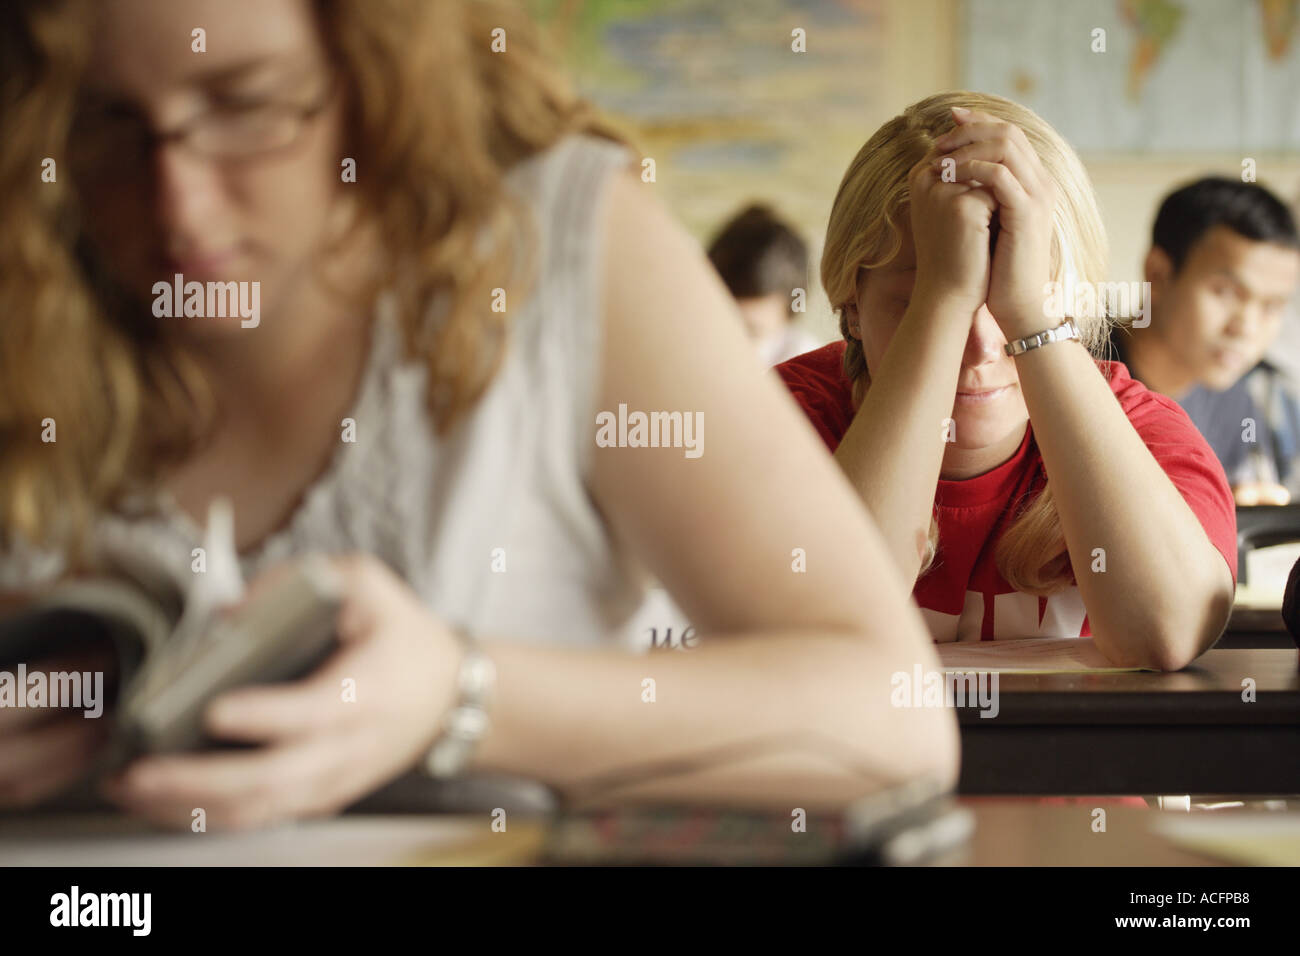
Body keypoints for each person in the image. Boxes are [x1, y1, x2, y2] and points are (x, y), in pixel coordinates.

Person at [0, 0, 956, 826]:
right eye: (107, 126)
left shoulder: (562, 252)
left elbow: (895, 716)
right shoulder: (29, 261)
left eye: (245, 107)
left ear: (373, 70)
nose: (179, 207)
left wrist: (461, 697)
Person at [777, 92, 1235, 668]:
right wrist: (943, 300)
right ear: (851, 307)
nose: (981, 345)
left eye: (1018, 295)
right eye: (913, 298)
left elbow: (1164, 634)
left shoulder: (1137, 428)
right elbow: (819, 631)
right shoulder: (785, 415)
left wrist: (1032, 318)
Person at [1111, 177, 1300, 505]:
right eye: (1225, 293)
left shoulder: (1237, 400)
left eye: (1271, 306)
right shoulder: (1074, 373)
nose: (1246, 328)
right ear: (1157, 273)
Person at [707, 204, 823, 365]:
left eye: (750, 332)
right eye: (719, 321)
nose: (727, 343)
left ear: (789, 318)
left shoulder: (804, 366)